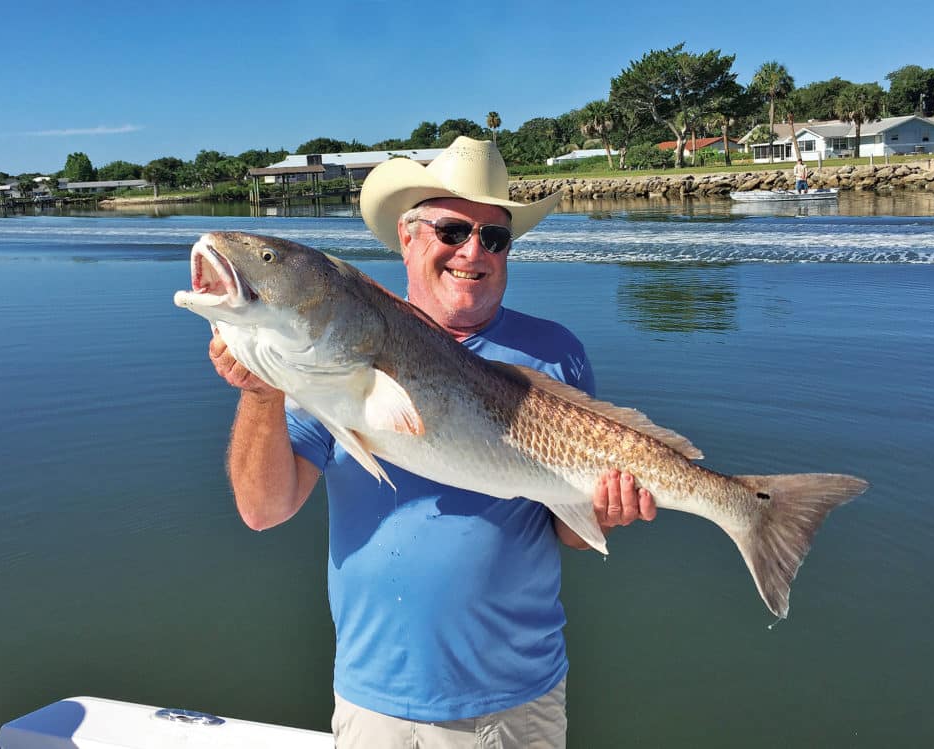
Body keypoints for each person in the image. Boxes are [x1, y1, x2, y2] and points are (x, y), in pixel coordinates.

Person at [207, 137, 656, 748]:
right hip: (373, 700)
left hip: (514, 702)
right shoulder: (329, 360)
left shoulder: (554, 354)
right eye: (451, 230)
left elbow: (570, 532)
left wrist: (605, 510)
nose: (473, 252)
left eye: (495, 237)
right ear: (409, 236)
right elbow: (263, 510)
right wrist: (261, 394)